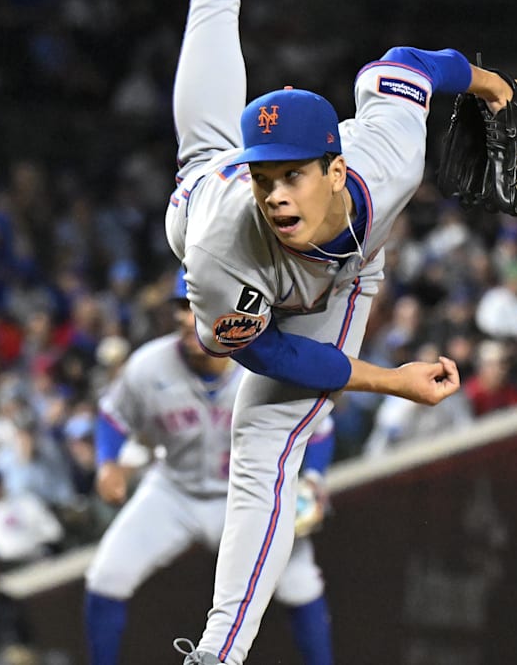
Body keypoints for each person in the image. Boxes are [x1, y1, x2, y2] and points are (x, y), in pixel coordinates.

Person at [156, 0, 516, 664]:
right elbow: (267, 351)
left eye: (291, 174)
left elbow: (410, 64)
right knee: (204, 159)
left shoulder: (386, 156)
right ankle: (219, 657)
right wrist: (391, 379)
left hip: (346, 275)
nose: (277, 193)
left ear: (332, 164)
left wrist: (484, 81)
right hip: (225, 251)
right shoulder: (224, 239)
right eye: (266, 177)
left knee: (268, 441)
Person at [84, 273, 335, 665]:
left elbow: (321, 430)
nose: (187, 318)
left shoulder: (268, 364)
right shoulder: (149, 366)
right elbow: (112, 418)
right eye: (181, 307)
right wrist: (106, 465)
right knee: (106, 576)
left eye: (196, 307)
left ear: (230, 313)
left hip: (249, 497)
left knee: (302, 585)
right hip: (174, 492)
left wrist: (314, 479)